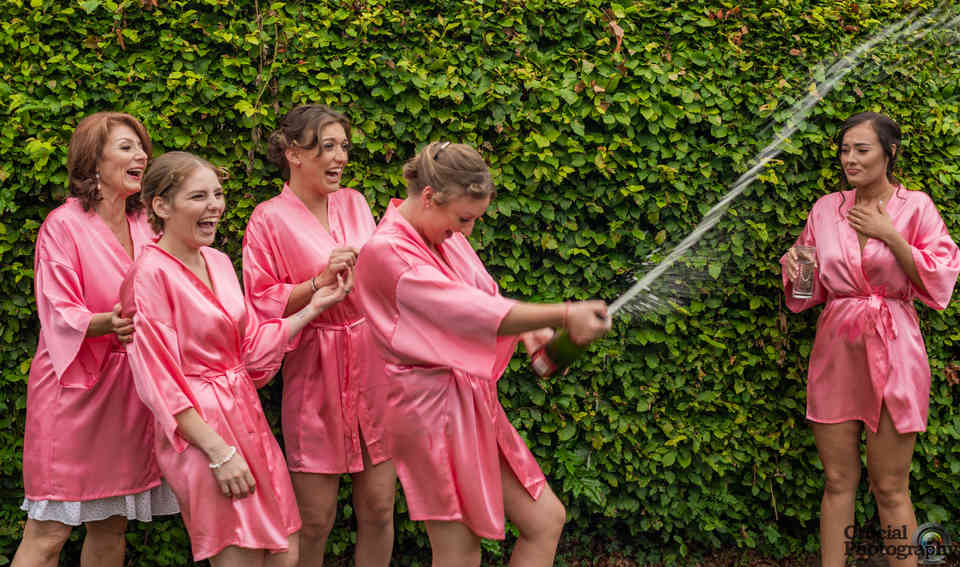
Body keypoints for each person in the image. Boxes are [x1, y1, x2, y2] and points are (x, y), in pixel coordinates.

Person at [354, 141, 611, 567]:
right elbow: (464, 310)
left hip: (470, 403)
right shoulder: (386, 252)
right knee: (459, 554)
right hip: (430, 415)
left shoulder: (442, 231)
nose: (468, 232)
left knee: (546, 520)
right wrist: (565, 313)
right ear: (430, 196)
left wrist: (530, 330)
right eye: (464, 219)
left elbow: (485, 297)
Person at [120, 151, 351, 566]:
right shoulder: (148, 275)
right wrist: (219, 453)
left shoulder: (219, 261)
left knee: (285, 552)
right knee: (238, 554)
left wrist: (314, 307)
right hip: (201, 433)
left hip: (246, 414)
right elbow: (159, 381)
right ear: (161, 206)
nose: (215, 206)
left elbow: (248, 350)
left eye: (218, 194)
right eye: (199, 197)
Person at [781, 112, 959, 567]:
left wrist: (890, 237)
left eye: (862, 149)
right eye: (845, 150)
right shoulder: (825, 209)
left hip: (895, 348)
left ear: (889, 152)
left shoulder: (916, 207)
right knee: (838, 481)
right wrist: (796, 268)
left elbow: (941, 275)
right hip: (837, 349)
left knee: (891, 486)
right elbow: (805, 293)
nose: (850, 159)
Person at [13, 112, 178, 567]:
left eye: (141, 147)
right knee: (48, 533)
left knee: (111, 525)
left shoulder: (146, 223)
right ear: (93, 161)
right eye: (126, 147)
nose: (140, 155)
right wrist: (108, 322)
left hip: (130, 395)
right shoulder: (62, 225)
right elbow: (58, 310)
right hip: (74, 395)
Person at [243, 104, 395, 566]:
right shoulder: (267, 219)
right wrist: (318, 282)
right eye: (327, 147)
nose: (340, 157)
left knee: (380, 509)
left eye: (343, 146)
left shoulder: (354, 202)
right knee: (315, 518)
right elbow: (259, 301)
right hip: (314, 366)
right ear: (294, 153)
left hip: (372, 363)